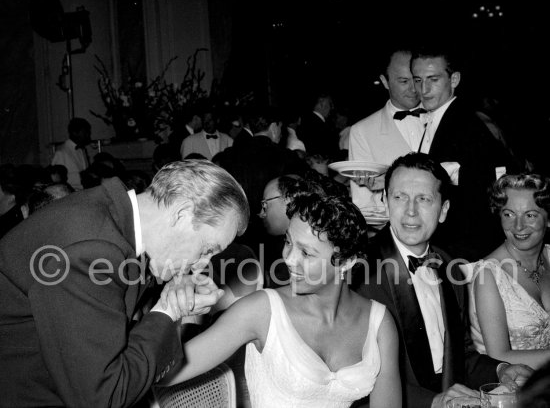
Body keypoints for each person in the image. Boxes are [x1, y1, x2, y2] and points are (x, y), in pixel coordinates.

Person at [0, 159, 249, 407]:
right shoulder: (90, 252)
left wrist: (172, 290)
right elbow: (105, 398)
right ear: (182, 214)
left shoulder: (110, 217)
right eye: (206, 249)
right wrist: (169, 311)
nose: (200, 265)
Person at [160, 193, 401, 408]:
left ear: (346, 262)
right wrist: (168, 310)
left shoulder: (379, 323)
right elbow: (155, 372)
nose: (288, 259)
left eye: (306, 253)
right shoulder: (261, 310)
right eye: (288, 242)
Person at [353, 152, 532, 408]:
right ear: (385, 202)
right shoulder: (359, 269)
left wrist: (501, 370)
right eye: (400, 197)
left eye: (424, 199)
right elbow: (352, 373)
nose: (411, 211)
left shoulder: (450, 267)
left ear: (443, 210)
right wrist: (433, 401)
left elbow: (461, 356)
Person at [411, 44, 521, 260]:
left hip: (464, 252)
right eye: (418, 80)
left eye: (433, 79)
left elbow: (488, 199)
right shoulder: (438, 119)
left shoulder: (470, 126)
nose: (423, 90)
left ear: (454, 80)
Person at [468, 174, 550, 369]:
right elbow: (498, 355)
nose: (518, 226)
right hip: (513, 388)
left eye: (530, 215)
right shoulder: (488, 274)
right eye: (509, 214)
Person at [348, 45, 424, 212]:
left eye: (417, 80)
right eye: (404, 81)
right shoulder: (362, 131)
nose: (413, 89)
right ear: (385, 81)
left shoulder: (441, 119)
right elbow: (363, 204)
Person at [51, 117, 92, 190]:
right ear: (75, 133)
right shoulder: (61, 153)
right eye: (85, 132)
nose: (88, 136)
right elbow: (55, 179)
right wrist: (81, 176)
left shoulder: (82, 150)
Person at [298, 93, 338, 159]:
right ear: (321, 103)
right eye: (330, 104)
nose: (332, 107)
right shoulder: (322, 126)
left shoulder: (305, 120)